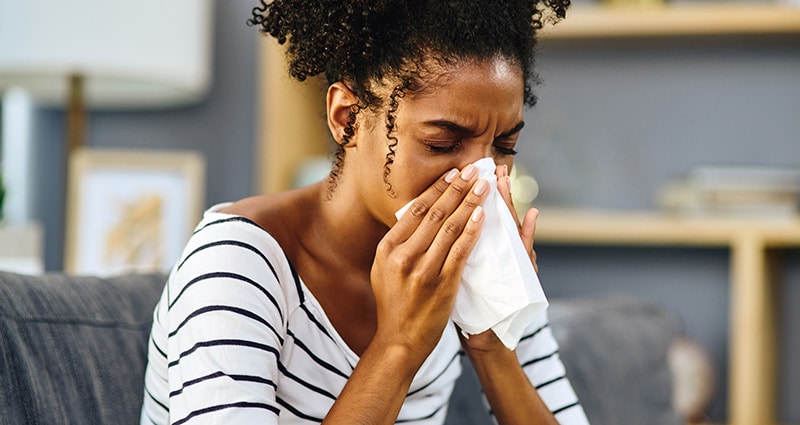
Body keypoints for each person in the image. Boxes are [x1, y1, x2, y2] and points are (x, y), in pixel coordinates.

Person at [140, 1, 590, 424]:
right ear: (347, 117)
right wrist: (399, 344)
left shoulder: (477, 262)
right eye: (442, 144)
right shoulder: (236, 263)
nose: (481, 179)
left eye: (503, 147)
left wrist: (492, 340)